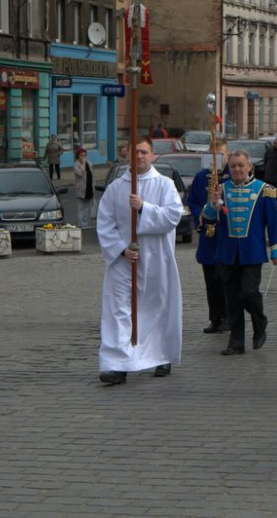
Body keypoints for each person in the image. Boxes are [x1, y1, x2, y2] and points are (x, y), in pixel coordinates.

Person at [97, 136, 183, 385]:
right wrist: (122, 249)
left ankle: (160, 355)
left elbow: (173, 216)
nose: (139, 157)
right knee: (119, 311)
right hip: (124, 260)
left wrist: (144, 207)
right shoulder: (115, 188)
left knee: (156, 307)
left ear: (152, 155)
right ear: (126, 155)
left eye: (144, 152)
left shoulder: (164, 185)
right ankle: (118, 363)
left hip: (156, 257)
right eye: (134, 152)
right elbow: (105, 223)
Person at [203, 149, 277, 355]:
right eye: (233, 166)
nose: (237, 169)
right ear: (229, 169)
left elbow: (273, 223)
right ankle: (236, 342)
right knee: (232, 299)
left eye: (241, 165)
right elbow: (209, 220)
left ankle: (260, 323)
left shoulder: (263, 190)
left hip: (252, 252)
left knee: (249, 293)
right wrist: (212, 204)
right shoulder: (220, 190)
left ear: (250, 167)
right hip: (226, 253)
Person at [187, 139, 230, 334]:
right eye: (213, 156)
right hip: (207, 236)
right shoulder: (201, 177)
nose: (217, 160)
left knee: (225, 278)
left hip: (226, 234)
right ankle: (215, 318)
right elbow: (193, 201)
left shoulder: (232, 175)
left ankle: (229, 316)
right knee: (211, 279)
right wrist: (200, 215)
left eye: (221, 156)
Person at [73, 147, 94, 229]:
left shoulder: (89, 163)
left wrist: (93, 186)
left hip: (89, 188)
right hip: (81, 189)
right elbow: (80, 174)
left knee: (87, 207)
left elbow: (92, 176)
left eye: (84, 155)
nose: (83, 157)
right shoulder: (76, 165)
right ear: (78, 156)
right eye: (81, 155)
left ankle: (85, 223)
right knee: (80, 207)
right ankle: (80, 223)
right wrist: (83, 164)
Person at [263, 137, 277, 208]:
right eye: (276, 143)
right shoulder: (269, 151)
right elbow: (265, 161)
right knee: (269, 189)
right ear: (274, 143)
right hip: (269, 173)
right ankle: (269, 203)